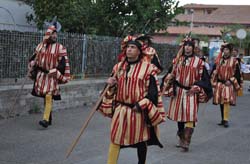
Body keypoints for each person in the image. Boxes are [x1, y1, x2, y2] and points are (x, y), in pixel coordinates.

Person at [98, 35, 165, 164]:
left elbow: (153, 92)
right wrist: (110, 84)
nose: (129, 49)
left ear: (139, 51)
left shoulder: (147, 68)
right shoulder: (118, 67)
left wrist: (141, 104)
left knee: (140, 140)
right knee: (115, 138)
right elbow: (111, 90)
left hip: (138, 110)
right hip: (121, 110)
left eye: (133, 47)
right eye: (128, 47)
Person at [162, 37, 212, 152]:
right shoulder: (177, 61)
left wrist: (198, 87)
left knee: (190, 114)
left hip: (191, 91)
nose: (188, 47)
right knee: (180, 116)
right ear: (183, 47)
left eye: (190, 45)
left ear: (193, 48)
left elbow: (204, 79)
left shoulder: (199, 62)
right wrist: (168, 78)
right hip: (179, 91)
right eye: (186, 45)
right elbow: (171, 74)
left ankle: (187, 141)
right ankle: (181, 137)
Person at [28, 25, 70, 128]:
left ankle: (45, 120)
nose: (55, 36)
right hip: (41, 76)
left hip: (51, 76)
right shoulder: (40, 46)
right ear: (48, 35)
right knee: (45, 97)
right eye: (52, 34)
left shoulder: (60, 48)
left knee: (48, 96)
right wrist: (33, 62)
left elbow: (63, 64)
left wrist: (56, 71)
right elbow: (34, 58)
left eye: (55, 34)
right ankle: (49, 118)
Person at [211, 43, 241, 128]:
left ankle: (226, 119)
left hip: (228, 84)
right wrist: (213, 78)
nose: (225, 51)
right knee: (221, 102)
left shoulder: (234, 61)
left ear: (230, 51)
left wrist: (231, 81)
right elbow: (214, 71)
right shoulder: (219, 60)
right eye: (224, 49)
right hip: (220, 83)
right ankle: (223, 119)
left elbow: (237, 74)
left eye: (227, 50)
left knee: (226, 101)